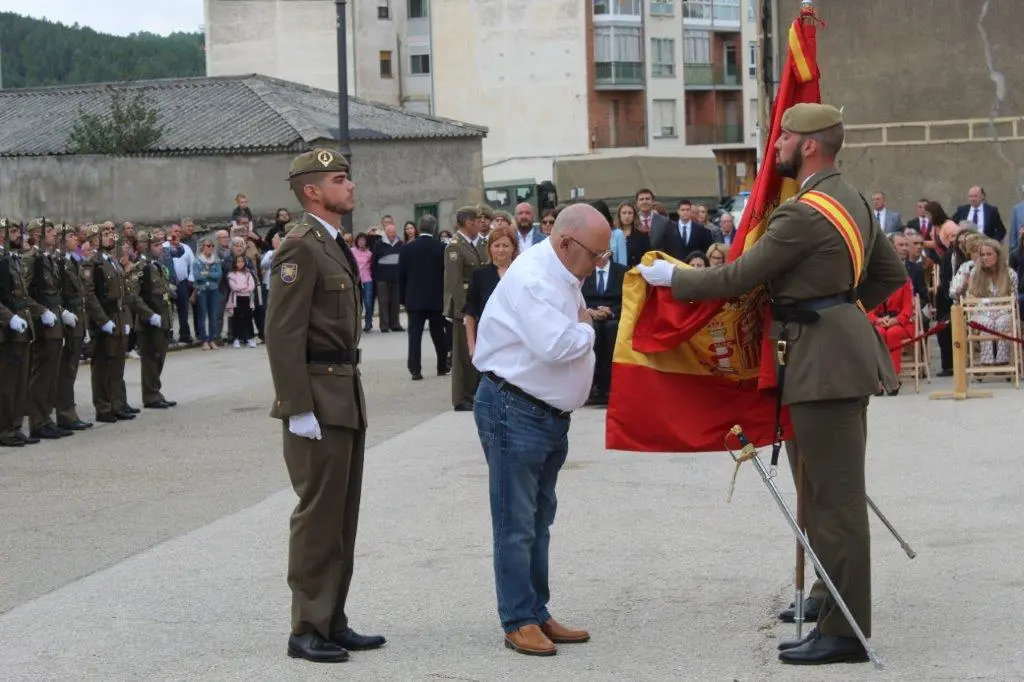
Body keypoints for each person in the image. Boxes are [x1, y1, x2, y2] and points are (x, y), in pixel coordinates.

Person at [637, 103, 906, 665]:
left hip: (821, 367)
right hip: (826, 361)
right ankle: (828, 601)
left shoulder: (804, 213)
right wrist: (841, 313)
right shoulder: (852, 198)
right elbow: (888, 276)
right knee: (821, 493)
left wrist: (672, 277)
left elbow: (738, 277)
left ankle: (845, 632)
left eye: (783, 136)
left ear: (810, 145)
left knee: (834, 502)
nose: (775, 145)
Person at [471, 203, 610, 657]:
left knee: (538, 520)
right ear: (567, 242)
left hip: (544, 415)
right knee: (516, 522)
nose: (599, 264)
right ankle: (518, 619)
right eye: (596, 255)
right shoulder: (535, 277)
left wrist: (579, 326)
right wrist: (587, 327)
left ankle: (537, 609)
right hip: (515, 409)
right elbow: (555, 344)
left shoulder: (564, 272)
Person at [264, 148, 384, 664]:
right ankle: (306, 627)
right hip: (317, 395)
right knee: (317, 515)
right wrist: (296, 406)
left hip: (344, 390)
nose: (350, 185)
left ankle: (333, 618)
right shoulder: (301, 247)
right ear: (313, 191)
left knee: (342, 515)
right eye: (340, 178)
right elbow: (281, 334)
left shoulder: (330, 243)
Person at [24, 219, 73, 439]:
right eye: (49, 231)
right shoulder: (31, 259)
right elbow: (23, 294)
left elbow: (54, 292)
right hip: (43, 325)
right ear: (37, 235)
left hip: (55, 323)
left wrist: (60, 312)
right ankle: (37, 421)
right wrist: (41, 312)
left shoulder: (48, 258)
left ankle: (46, 418)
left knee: (52, 375)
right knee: (41, 375)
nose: (54, 235)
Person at [81, 223, 134, 423]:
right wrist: (102, 321)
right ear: (95, 240)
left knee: (117, 365)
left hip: (118, 317)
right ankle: (103, 407)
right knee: (102, 365)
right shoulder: (91, 263)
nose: (111, 237)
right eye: (106, 234)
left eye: (112, 233)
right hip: (104, 319)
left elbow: (123, 294)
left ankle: (116, 403)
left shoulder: (111, 261)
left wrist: (126, 320)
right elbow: (89, 294)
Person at [443, 206, 488, 411]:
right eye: (478, 221)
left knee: (475, 352)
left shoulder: (475, 244)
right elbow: (454, 283)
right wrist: (464, 311)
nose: (481, 224)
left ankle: (474, 391)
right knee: (462, 355)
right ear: (468, 223)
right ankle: (461, 398)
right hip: (463, 308)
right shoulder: (454, 246)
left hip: (476, 305)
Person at [129, 231, 178, 409]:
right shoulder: (140, 267)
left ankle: (155, 391)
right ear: (146, 247)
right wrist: (149, 315)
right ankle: (150, 396)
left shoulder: (155, 265)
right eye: (156, 245)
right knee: (150, 358)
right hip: (149, 321)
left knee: (159, 358)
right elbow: (134, 296)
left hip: (162, 316)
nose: (160, 248)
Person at [397, 215, 449, 380]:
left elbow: (401, 276)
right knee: (438, 333)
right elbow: (446, 274)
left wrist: (403, 299)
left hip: (414, 298)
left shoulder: (407, 248)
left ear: (418, 228)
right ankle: (442, 365)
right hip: (436, 298)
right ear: (434, 228)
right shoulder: (441, 247)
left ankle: (415, 369)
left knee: (414, 336)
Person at [0, 221, 37, 447]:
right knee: (6, 383)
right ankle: (4, 430)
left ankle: (15, 426)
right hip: (5, 330)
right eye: (11, 232)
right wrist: (9, 318)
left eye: (16, 231)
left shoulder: (11, 258)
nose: (16, 235)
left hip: (20, 327)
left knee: (20, 381)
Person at [55, 225, 93, 431]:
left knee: (71, 369)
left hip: (78, 319)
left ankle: (69, 411)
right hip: (67, 320)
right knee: (66, 370)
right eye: (70, 236)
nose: (75, 239)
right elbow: (56, 293)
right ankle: (65, 414)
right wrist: (62, 313)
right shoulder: (60, 262)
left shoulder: (72, 261)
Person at [464, 225, 518, 358]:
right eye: (497, 245)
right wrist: (472, 346)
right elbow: (470, 313)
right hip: (489, 343)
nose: (501, 250)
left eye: (505, 245)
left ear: (513, 248)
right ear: (490, 248)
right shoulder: (480, 275)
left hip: (518, 343)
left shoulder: (522, 273)